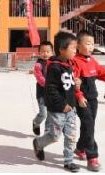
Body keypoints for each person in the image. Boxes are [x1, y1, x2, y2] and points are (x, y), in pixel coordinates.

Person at [72, 30, 105, 172]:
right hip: (82, 100)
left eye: (92, 44)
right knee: (89, 126)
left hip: (93, 100)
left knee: (87, 126)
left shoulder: (92, 61)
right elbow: (73, 83)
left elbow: (103, 73)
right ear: (78, 45)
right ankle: (92, 157)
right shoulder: (75, 62)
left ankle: (80, 148)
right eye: (87, 44)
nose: (91, 47)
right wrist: (79, 96)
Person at [33, 31, 80, 172]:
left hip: (71, 109)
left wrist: (76, 83)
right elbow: (51, 89)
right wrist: (62, 104)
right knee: (54, 136)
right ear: (62, 50)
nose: (75, 51)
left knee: (71, 136)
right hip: (58, 110)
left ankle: (68, 161)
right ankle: (39, 143)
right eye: (73, 48)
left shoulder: (69, 64)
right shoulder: (54, 67)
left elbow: (67, 85)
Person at [32, 41, 53, 135]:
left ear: (52, 52)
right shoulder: (38, 65)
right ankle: (36, 122)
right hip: (42, 93)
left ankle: (47, 132)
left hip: (52, 93)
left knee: (50, 114)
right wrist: (49, 85)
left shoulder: (54, 63)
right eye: (43, 51)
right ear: (39, 52)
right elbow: (39, 78)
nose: (45, 54)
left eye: (48, 51)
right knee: (43, 114)